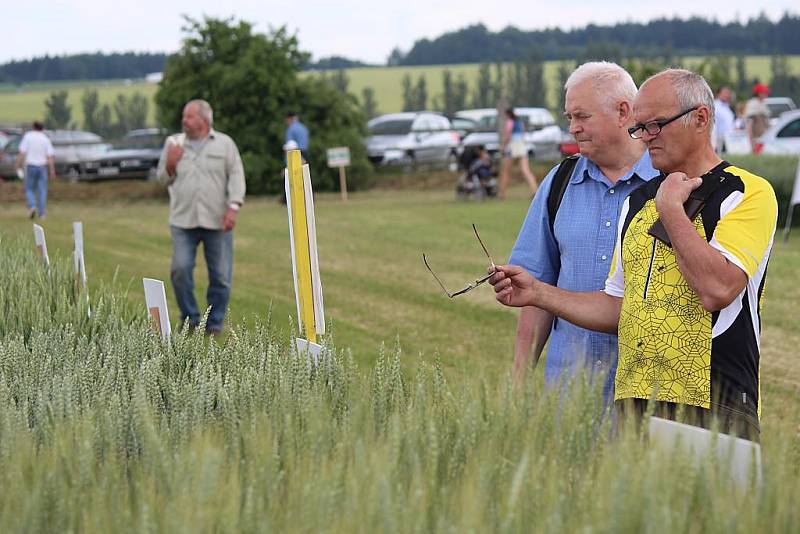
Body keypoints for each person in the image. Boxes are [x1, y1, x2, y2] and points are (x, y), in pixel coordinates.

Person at [491, 69, 778, 440]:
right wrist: (538, 292)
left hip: (714, 405)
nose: (645, 138)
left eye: (655, 125)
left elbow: (717, 288)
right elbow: (617, 306)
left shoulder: (746, 193)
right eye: (640, 127)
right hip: (634, 408)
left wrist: (672, 210)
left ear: (701, 119)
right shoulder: (637, 203)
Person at [509, 62, 659, 401]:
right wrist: (517, 386)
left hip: (649, 398)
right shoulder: (558, 184)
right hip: (568, 397)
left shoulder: (671, 184)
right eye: (569, 118)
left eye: (582, 116)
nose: (573, 129)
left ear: (624, 112)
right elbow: (534, 288)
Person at [156, 99, 246, 335]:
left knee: (221, 276)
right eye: (184, 116)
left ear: (204, 120)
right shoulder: (173, 143)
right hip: (182, 220)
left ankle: (214, 323)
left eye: (189, 116)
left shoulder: (225, 144)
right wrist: (170, 164)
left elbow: (236, 175)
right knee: (180, 269)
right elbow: (161, 180)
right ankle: (190, 319)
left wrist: (233, 207)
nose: (184, 120)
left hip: (217, 220)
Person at [16, 121, 56, 219]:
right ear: (42, 128)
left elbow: (22, 152)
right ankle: (42, 214)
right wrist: (52, 170)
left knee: (29, 189)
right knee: (42, 190)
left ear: (33, 127)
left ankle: (32, 206)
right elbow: (50, 156)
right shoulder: (45, 138)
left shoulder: (28, 136)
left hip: (31, 166)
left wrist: (18, 165)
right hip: (42, 167)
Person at [498, 108, 539, 198]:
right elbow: (523, 135)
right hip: (521, 146)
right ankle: (535, 190)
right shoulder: (520, 123)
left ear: (507, 115)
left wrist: (503, 147)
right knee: (526, 171)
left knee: (505, 171)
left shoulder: (509, 122)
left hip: (512, 147)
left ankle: (502, 193)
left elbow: (508, 135)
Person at [743, 83, 771, 150]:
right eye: (764, 93)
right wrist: (751, 141)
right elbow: (750, 124)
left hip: (763, 137)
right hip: (756, 139)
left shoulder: (762, 104)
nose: (766, 95)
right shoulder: (753, 105)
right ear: (759, 93)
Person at [712, 85, 735, 153]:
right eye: (725, 93)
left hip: (729, 140)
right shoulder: (715, 106)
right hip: (719, 141)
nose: (727, 95)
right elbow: (713, 125)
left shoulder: (728, 108)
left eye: (728, 93)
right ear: (718, 94)